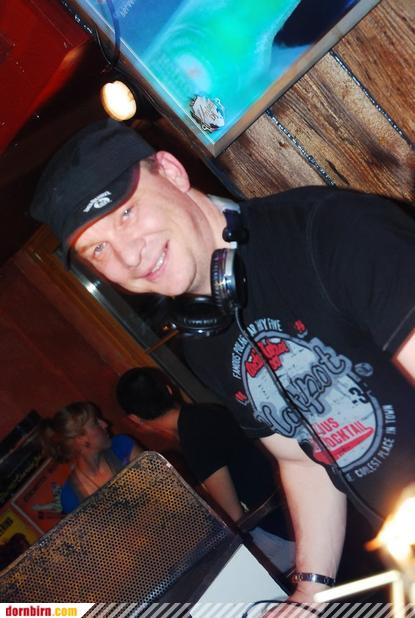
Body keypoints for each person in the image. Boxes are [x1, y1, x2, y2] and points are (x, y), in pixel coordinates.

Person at [30, 118, 415, 603]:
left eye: (126, 213)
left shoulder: (327, 230)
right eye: (98, 249)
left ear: (172, 172)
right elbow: (302, 461)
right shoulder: (204, 340)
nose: (128, 258)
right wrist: (308, 592)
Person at [116, 366, 295, 572]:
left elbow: (233, 514)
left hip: (279, 529)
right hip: (288, 507)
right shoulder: (206, 412)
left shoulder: (193, 435)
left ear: (134, 418)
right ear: (169, 389)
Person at [39, 401, 142, 513]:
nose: (105, 424)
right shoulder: (71, 497)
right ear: (81, 439)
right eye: (96, 423)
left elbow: (155, 485)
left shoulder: (122, 446)